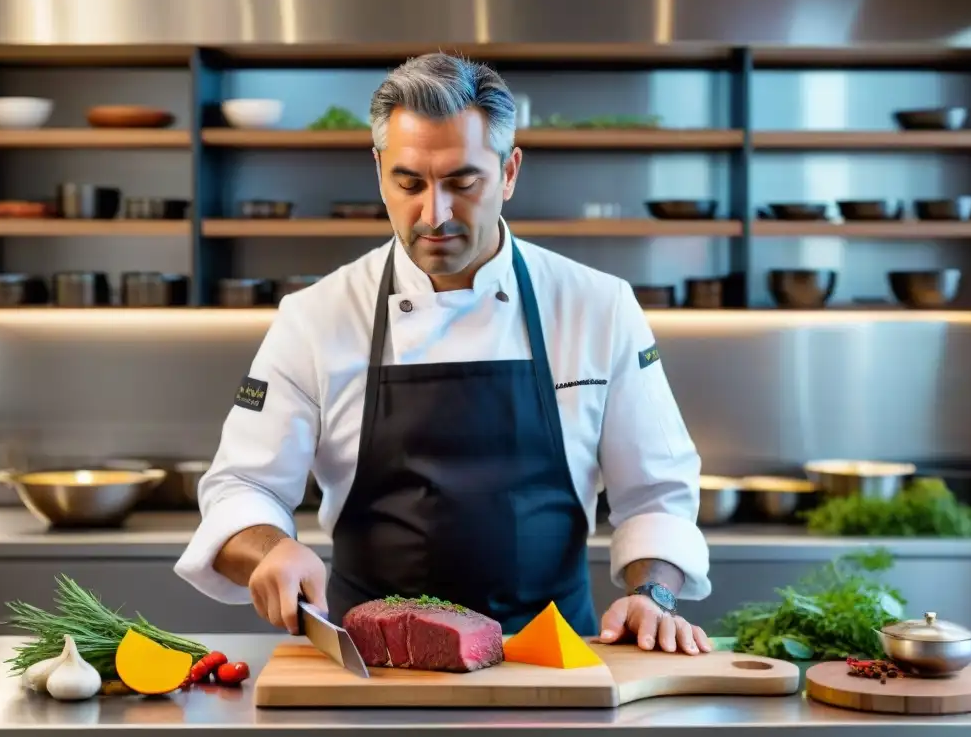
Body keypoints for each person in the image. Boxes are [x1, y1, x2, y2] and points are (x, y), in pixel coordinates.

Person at [175, 52, 713, 655]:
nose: (435, 215)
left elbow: (657, 491)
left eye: (463, 182)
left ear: (509, 172)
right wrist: (271, 548)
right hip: (372, 667)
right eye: (409, 183)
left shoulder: (598, 307)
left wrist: (655, 596)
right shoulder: (316, 318)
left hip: (551, 662)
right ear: (379, 172)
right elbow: (240, 486)